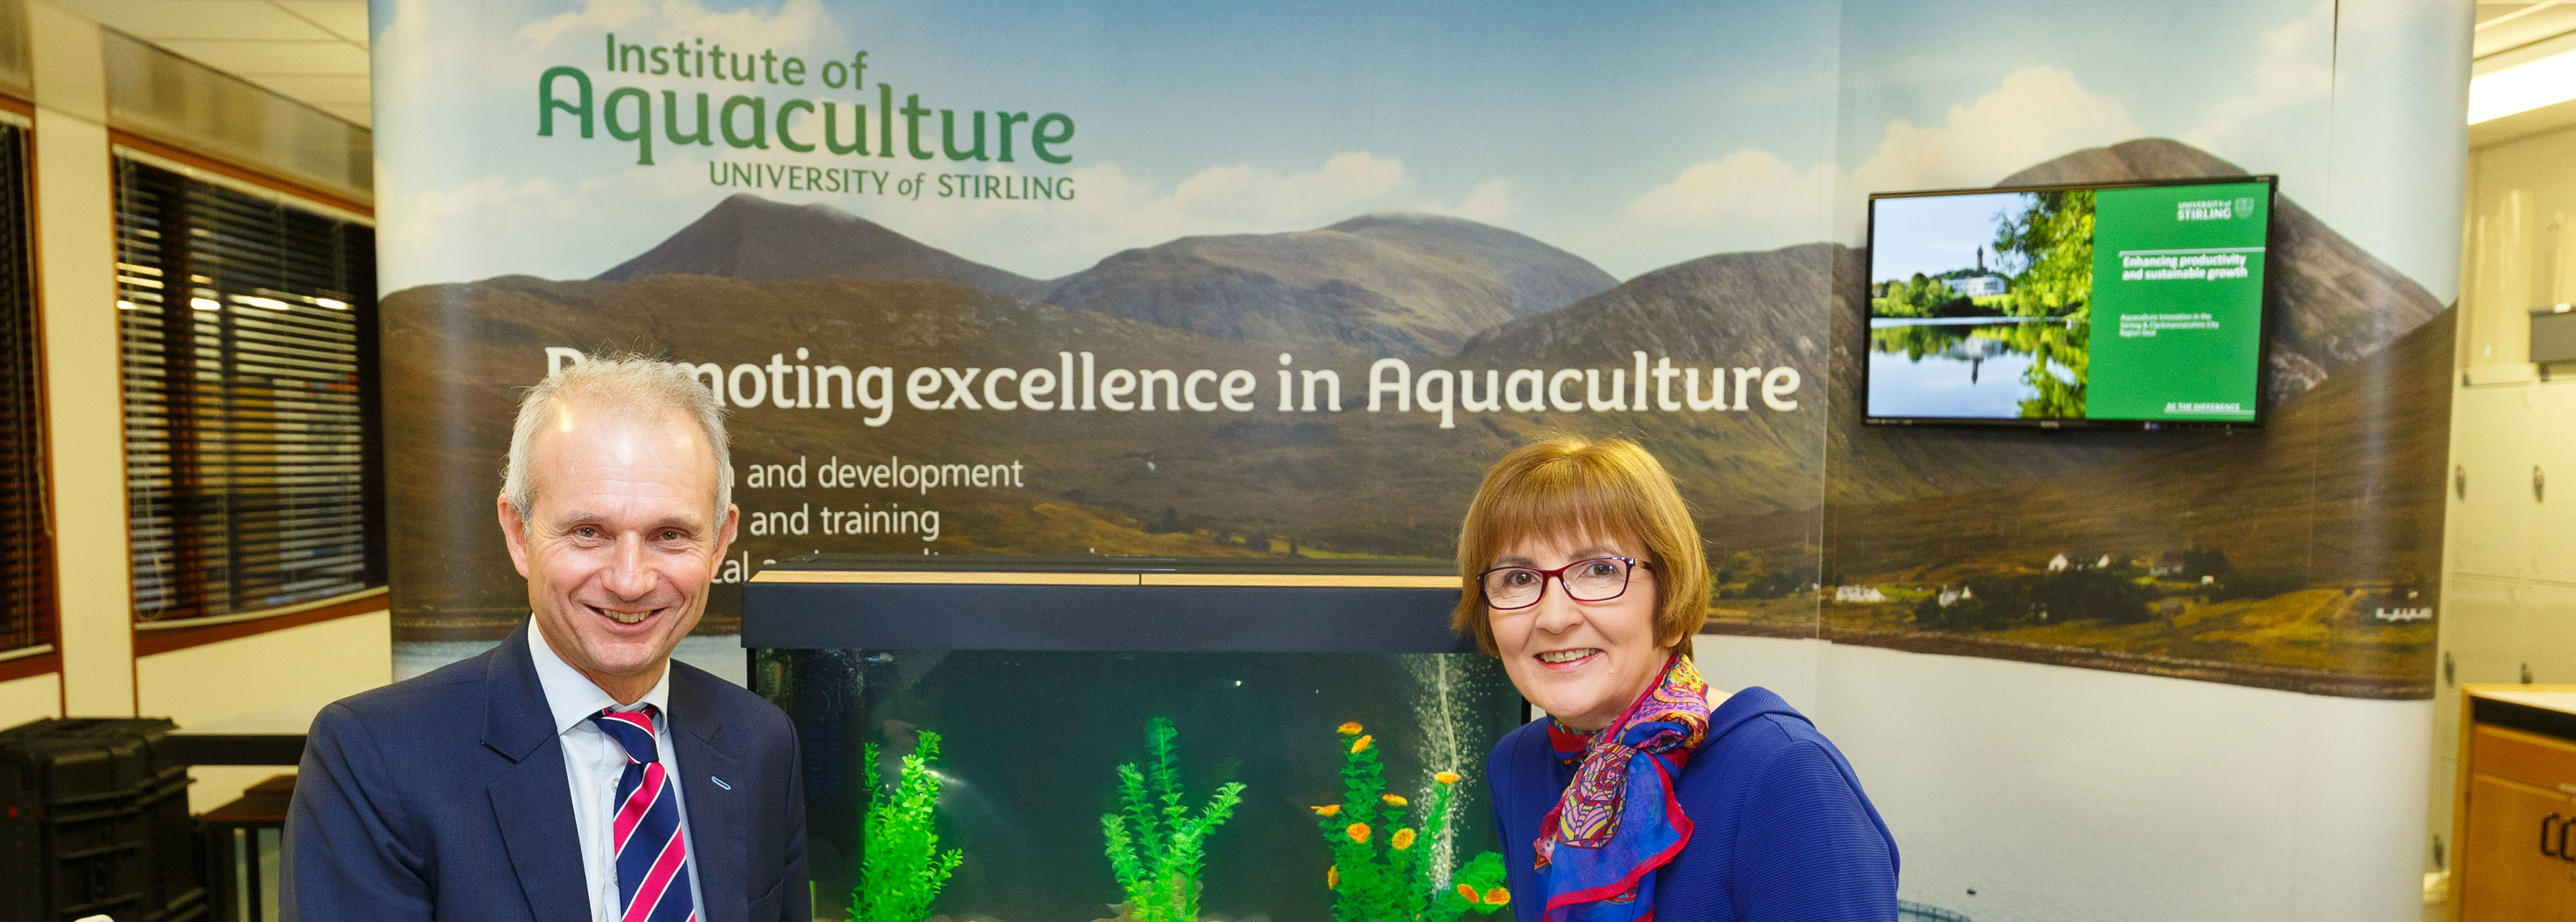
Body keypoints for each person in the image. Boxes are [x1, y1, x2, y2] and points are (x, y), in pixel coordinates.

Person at [283, 355, 809, 922]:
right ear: (518, 533)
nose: (630, 579)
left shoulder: (761, 743)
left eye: (670, 534)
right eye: (589, 532)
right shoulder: (375, 758)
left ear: (720, 543)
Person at [1460, 435, 1897, 922]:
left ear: (1669, 595)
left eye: (1600, 570)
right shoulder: (1518, 765)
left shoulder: (1786, 775)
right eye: (1518, 578)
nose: (1554, 616)